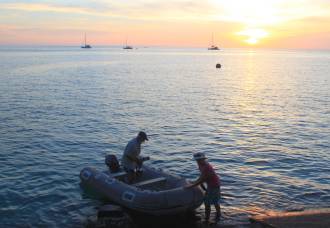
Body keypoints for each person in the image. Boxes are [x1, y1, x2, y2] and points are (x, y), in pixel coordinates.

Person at [185, 152, 221, 223]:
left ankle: (207, 219)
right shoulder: (200, 165)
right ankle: (218, 214)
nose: (198, 161)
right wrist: (196, 183)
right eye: (197, 160)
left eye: (200, 160)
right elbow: (201, 177)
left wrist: (191, 185)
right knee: (215, 200)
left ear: (204, 159)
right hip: (210, 184)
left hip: (214, 185)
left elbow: (203, 179)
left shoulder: (207, 167)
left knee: (207, 203)